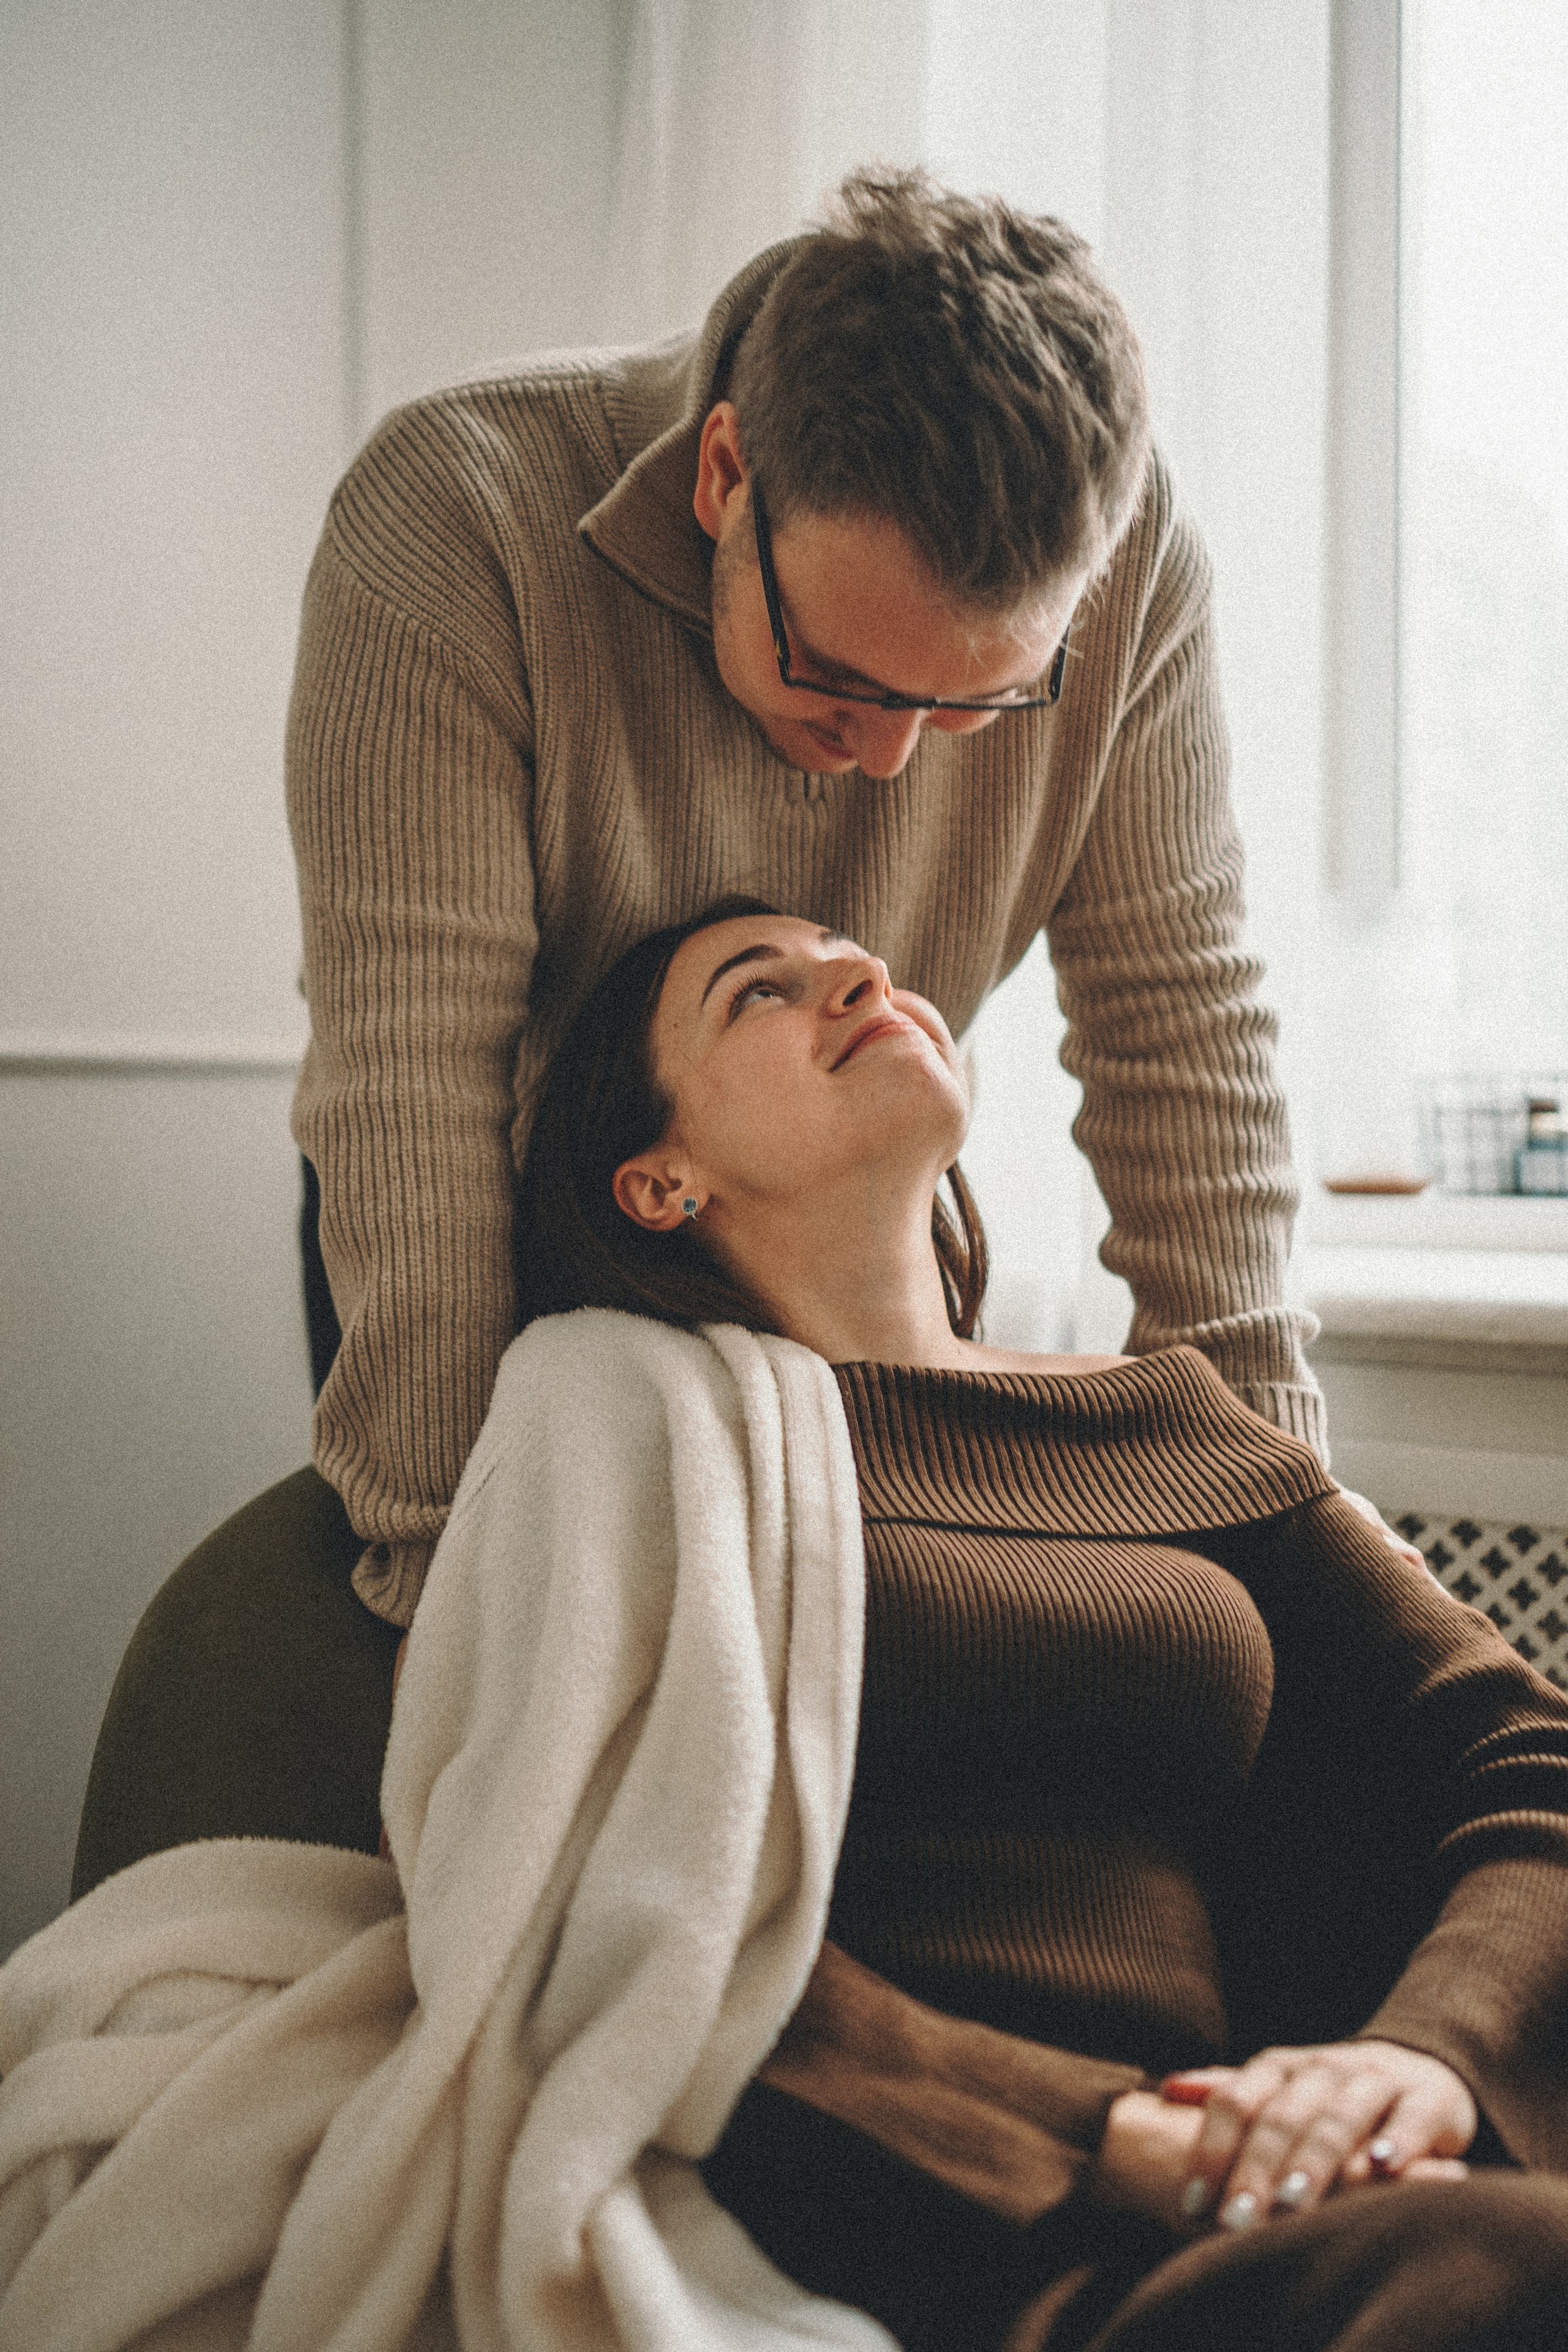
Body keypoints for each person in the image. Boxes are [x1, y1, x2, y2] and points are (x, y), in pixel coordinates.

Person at [287, 165, 1346, 1640]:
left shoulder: (1134, 561)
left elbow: (1183, 1033)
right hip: (518, 1249)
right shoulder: (456, 514)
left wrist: (1276, 1513)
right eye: (838, 676)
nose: (890, 761)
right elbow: (409, 1077)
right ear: (724, 475)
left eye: (976, 706)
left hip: (840, 1284)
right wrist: (457, 1579)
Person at [503, 897, 1568, 2350]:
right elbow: (578, 1895)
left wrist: (1425, 2059)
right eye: (761, 991)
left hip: (1277, 2181)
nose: (861, 976)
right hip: (941, 2217)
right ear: (657, 1180)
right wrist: (1099, 2136)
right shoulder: (626, 1427)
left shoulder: (1167, 1417)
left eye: (852, 960)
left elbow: (1518, 1750)